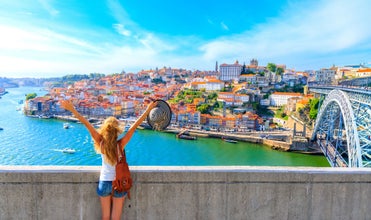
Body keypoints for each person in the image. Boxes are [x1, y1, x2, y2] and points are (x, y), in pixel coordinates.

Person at [60, 99, 158, 220]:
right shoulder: (120, 145)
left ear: (104, 130)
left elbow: (86, 123)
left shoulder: (101, 143)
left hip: (104, 182)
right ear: (117, 130)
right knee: (115, 218)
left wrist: (72, 110)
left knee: (105, 217)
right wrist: (148, 110)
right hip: (119, 182)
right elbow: (134, 126)